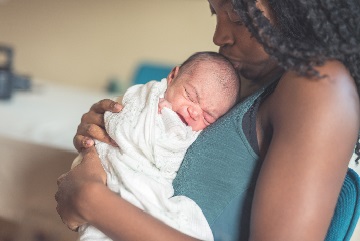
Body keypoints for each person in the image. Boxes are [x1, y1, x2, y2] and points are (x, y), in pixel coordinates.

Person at [55, 0, 360, 240]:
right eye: (215, 14)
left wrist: (92, 201)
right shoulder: (244, 83)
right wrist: (107, 141)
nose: (219, 36)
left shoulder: (321, 87)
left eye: (238, 16)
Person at [72, 51, 240, 241]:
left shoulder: (193, 131)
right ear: (173, 76)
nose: (193, 112)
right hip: (112, 174)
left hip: (145, 201)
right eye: (190, 96)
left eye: (207, 117)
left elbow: (172, 154)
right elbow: (123, 124)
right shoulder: (148, 95)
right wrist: (152, 114)